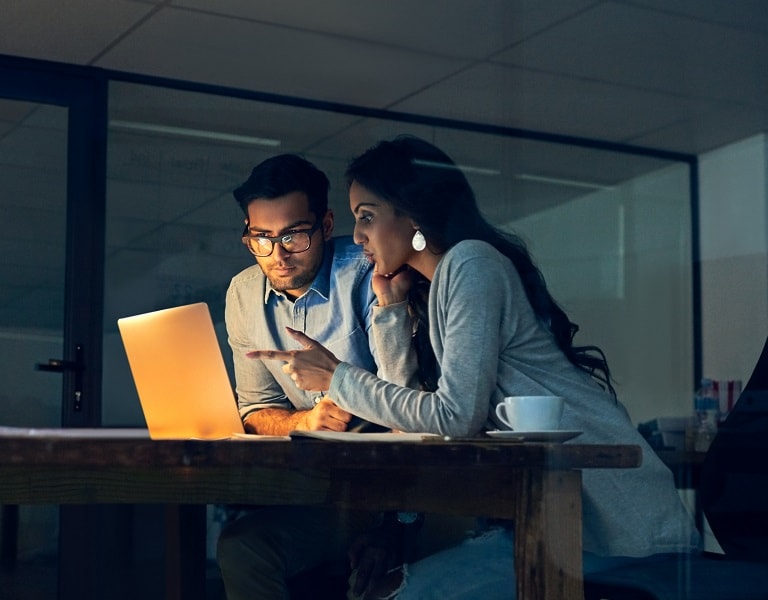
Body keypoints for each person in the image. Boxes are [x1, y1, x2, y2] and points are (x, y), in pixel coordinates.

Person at [248, 135, 700, 598]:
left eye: (366, 217)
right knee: (381, 589)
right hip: (557, 524)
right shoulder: (438, 283)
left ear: (413, 214)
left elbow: (455, 417)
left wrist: (336, 377)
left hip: (619, 528)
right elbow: (406, 420)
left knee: (394, 592)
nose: (358, 235)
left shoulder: (472, 264)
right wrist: (388, 307)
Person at [218, 153, 401, 599]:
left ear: (325, 223)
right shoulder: (244, 294)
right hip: (307, 488)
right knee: (241, 547)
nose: (277, 254)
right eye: (261, 237)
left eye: (294, 235)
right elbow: (256, 409)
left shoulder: (369, 271)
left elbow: (410, 397)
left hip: (390, 485)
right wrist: (306, 423)